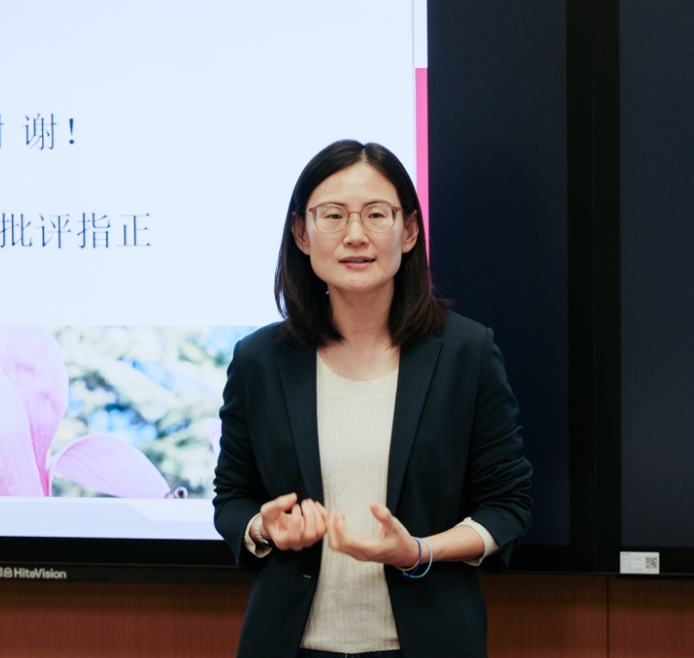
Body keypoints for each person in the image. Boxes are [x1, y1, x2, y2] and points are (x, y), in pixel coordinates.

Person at [213, 140, 533, 658]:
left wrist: (417, 552)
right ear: (301, 234)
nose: (356, 235)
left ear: (408, 231)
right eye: (333, 215)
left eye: (376, 215)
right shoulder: (259, 360)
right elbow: (232, 497)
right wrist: (263, 527)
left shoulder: (466, 352)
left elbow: (508, 506)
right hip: (289, 645)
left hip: (427, 645)